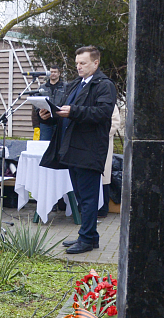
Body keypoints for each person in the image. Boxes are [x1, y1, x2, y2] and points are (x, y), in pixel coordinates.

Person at [39, 46, 116, 255]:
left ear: (96, 62)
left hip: (89, 149)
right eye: (77, 63)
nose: (79, 67)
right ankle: (89, 235)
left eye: (83, 63)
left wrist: (74, 111)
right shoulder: (75, 85)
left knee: (89, 197)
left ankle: (87, 238)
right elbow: (63, 111)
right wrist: (48, 115)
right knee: (81, 197)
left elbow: (103, 112)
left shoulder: (104, 85)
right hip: (72, 148)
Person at [33, 65, 66, 141]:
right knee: (44, 146)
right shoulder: (42, 88)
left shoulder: (65, 87)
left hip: (60, 122)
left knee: (59, 145)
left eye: (55, 72)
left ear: (59, 73)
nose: (53, 74)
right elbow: (36, 103)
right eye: (51, 72)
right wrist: (39, 113)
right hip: (45, 122)